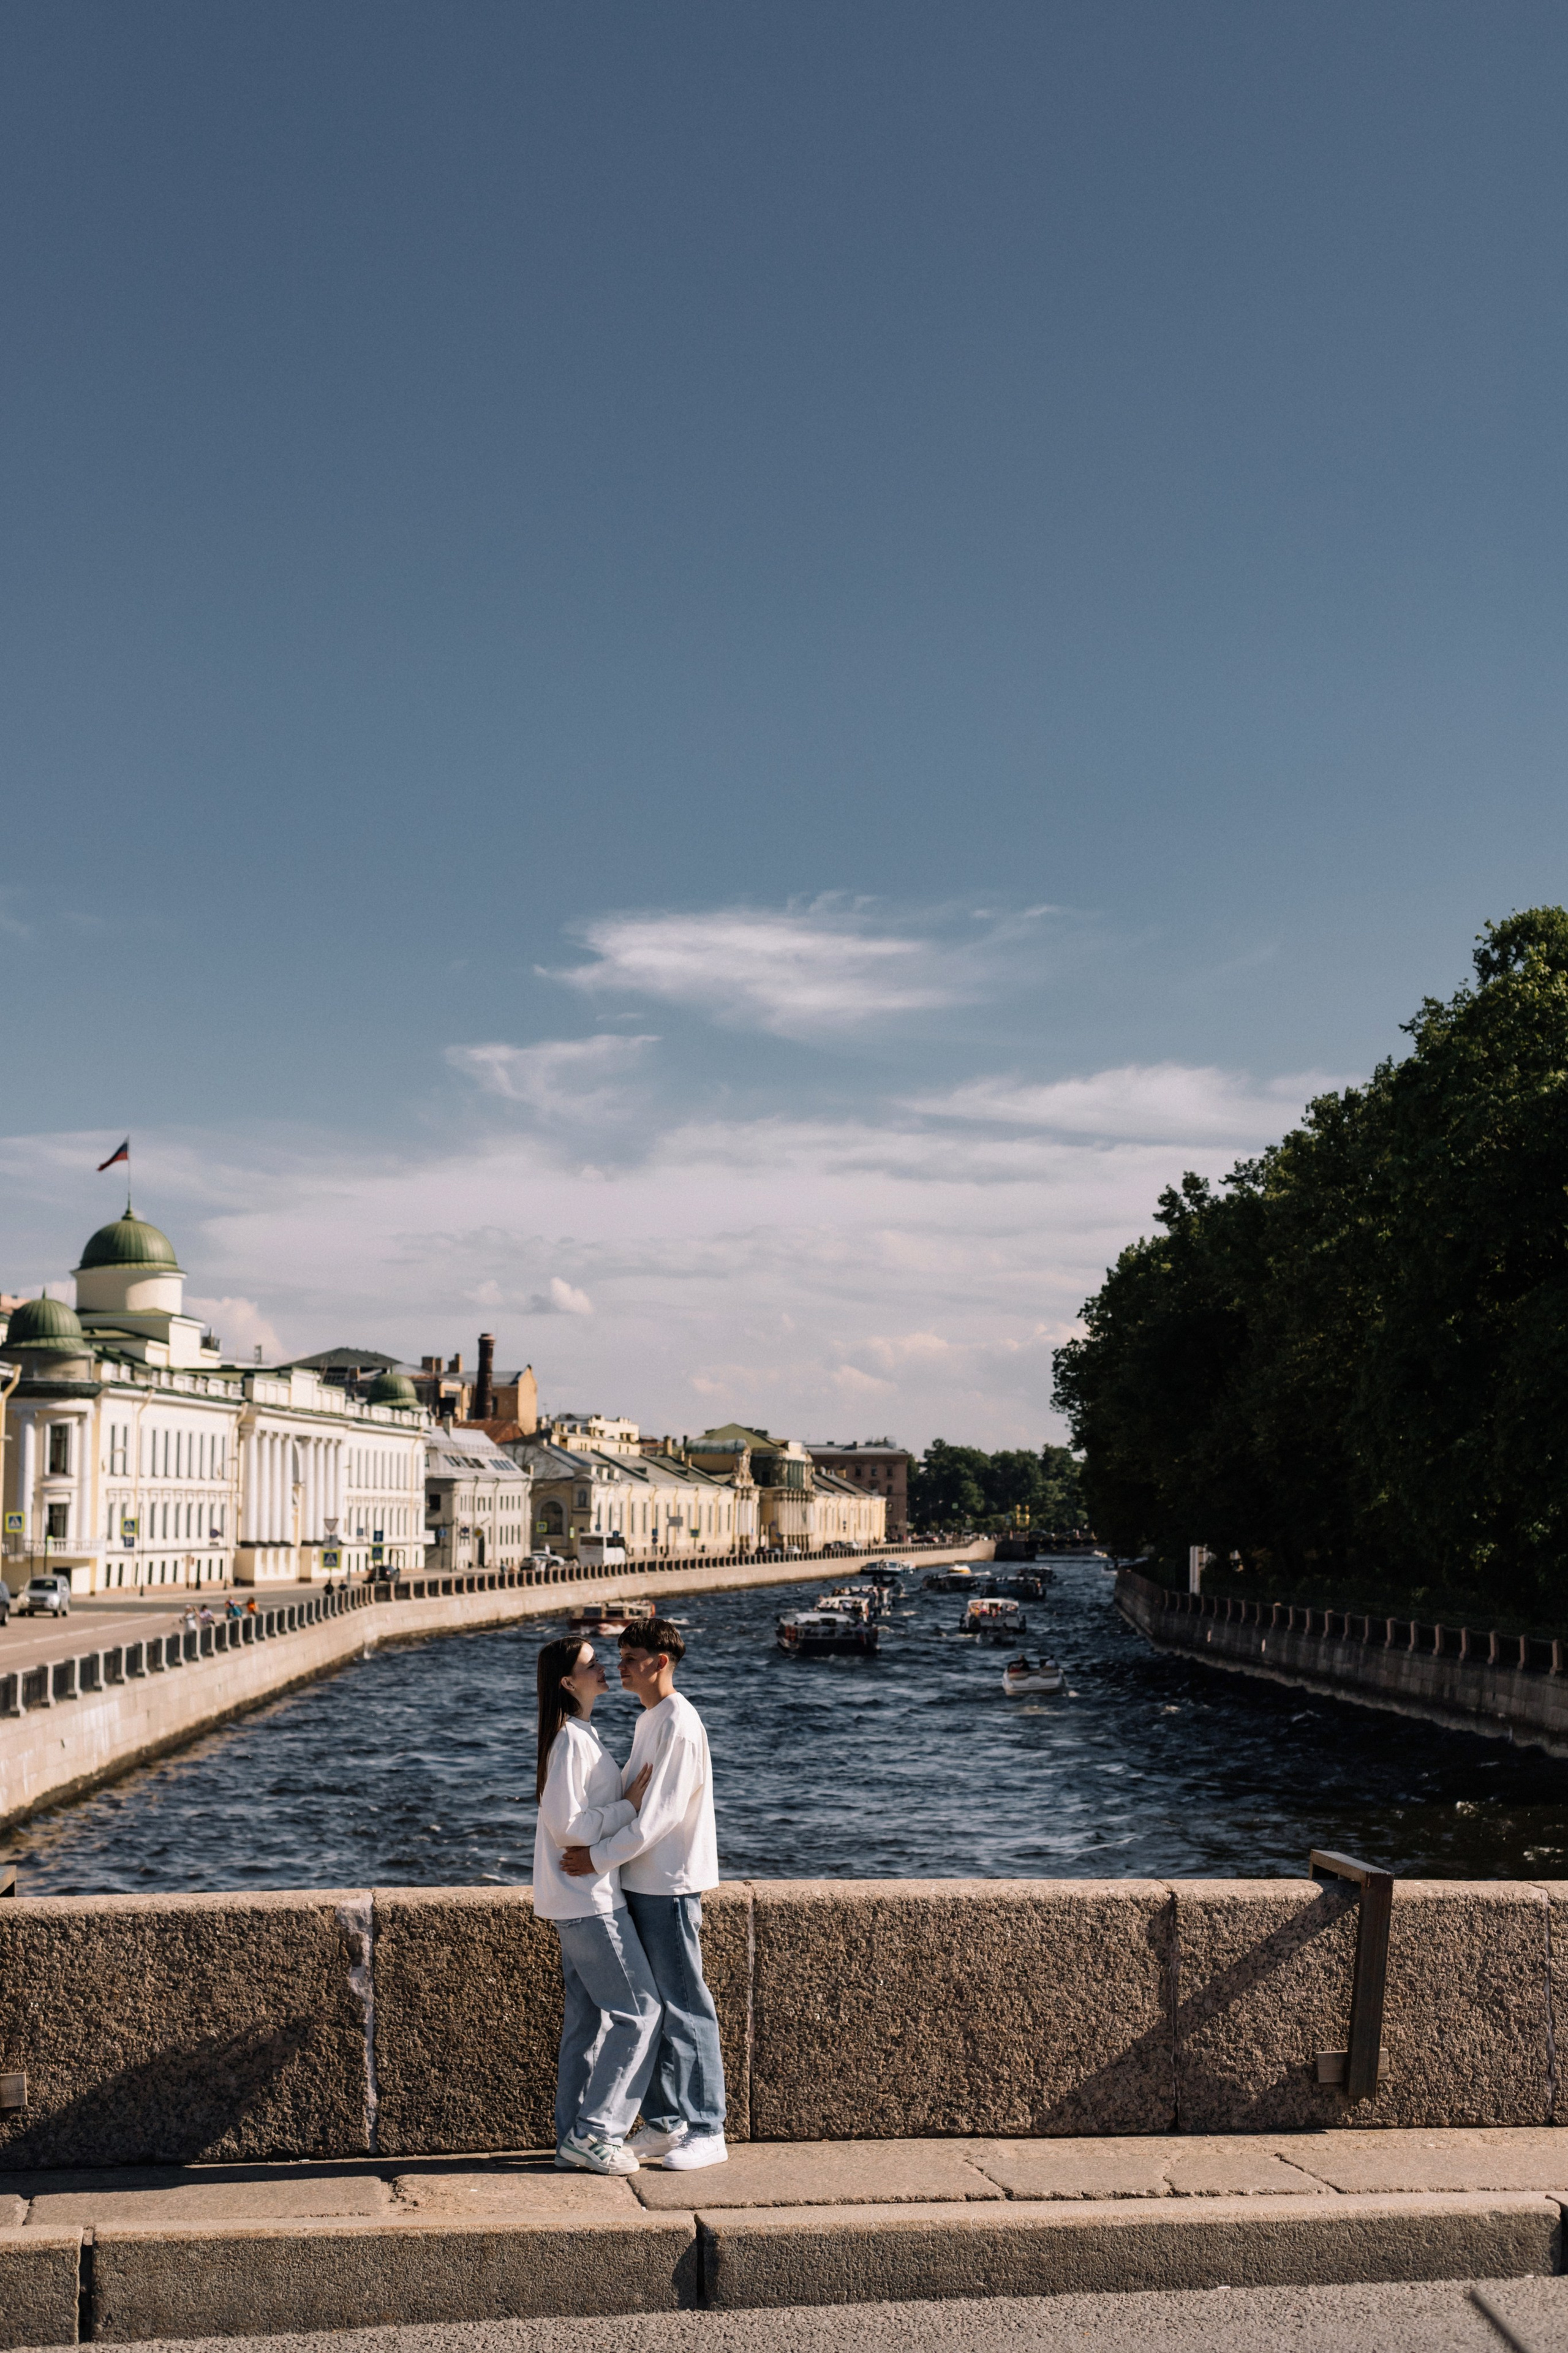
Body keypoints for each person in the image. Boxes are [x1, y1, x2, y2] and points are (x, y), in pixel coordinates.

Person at [562, 1616, 726, 2171]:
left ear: (661, 1662)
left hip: (670, 1885)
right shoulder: (651, 1718)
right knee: (655, 2011)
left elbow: (657, 1819)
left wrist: (595, 1858)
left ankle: (708, 2127)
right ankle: (663, 2123)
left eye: (631, 1656)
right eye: (621, 1655)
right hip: (643, 1883)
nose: (621, 1666)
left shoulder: (678, 1721)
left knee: (685, 2007)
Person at [533, 1635, 660, 2177]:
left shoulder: (580, 1735)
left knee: (587, 2023)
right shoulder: (570, 1741)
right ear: (568, 1682)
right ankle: (597, 2132)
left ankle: (572, 2136)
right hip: (590, 1902)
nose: (605, 1667)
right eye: (593, 1663)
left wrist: (616, 1807)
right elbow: (568, 1827)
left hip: (578, 1900)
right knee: (640, 2012)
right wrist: (627, 1807)